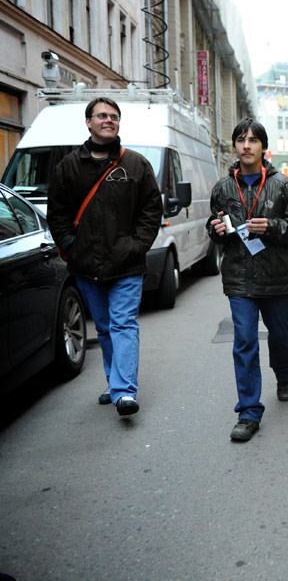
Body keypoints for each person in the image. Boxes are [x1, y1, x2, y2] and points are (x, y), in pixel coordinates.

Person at [47, 97, 163, 416]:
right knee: (105, 327)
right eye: (101, 115)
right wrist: (71, 246)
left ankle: (125, 391)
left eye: (114, 116)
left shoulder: (136, 164)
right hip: (86, 265)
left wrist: (136, 245)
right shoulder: (67, 166)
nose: (108, 120)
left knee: (124, 323)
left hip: (127, 263)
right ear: (88, 122)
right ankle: (115, 383)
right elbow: (56, 213)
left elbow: (152, 209)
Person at [207, 119, 288, 442]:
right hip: (238, 279)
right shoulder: (223, 187)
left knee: (281, 336)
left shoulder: (284, 186)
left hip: (275, 277)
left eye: (253, 140)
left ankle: (284, 375)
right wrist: (214, 229)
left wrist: (270, 227)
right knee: (244, 341)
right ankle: (248, 411)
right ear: (235, 146)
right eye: (240, 140)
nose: (246, 145)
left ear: (263, 146)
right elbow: (215, 223)